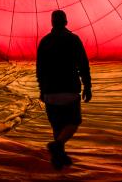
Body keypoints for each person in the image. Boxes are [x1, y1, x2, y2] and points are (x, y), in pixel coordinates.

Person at [36, 9, 91, 169]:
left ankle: (58, 157)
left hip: (50, 92)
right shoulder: (73, 40)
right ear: (66, 22)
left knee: (57, 125)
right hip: (69, 89)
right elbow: (83, 65)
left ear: (52, 23)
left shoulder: (45, 41)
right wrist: (87, 86)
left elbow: (40, 69)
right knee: (74, 122)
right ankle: (58, 145)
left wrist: (42, 90)